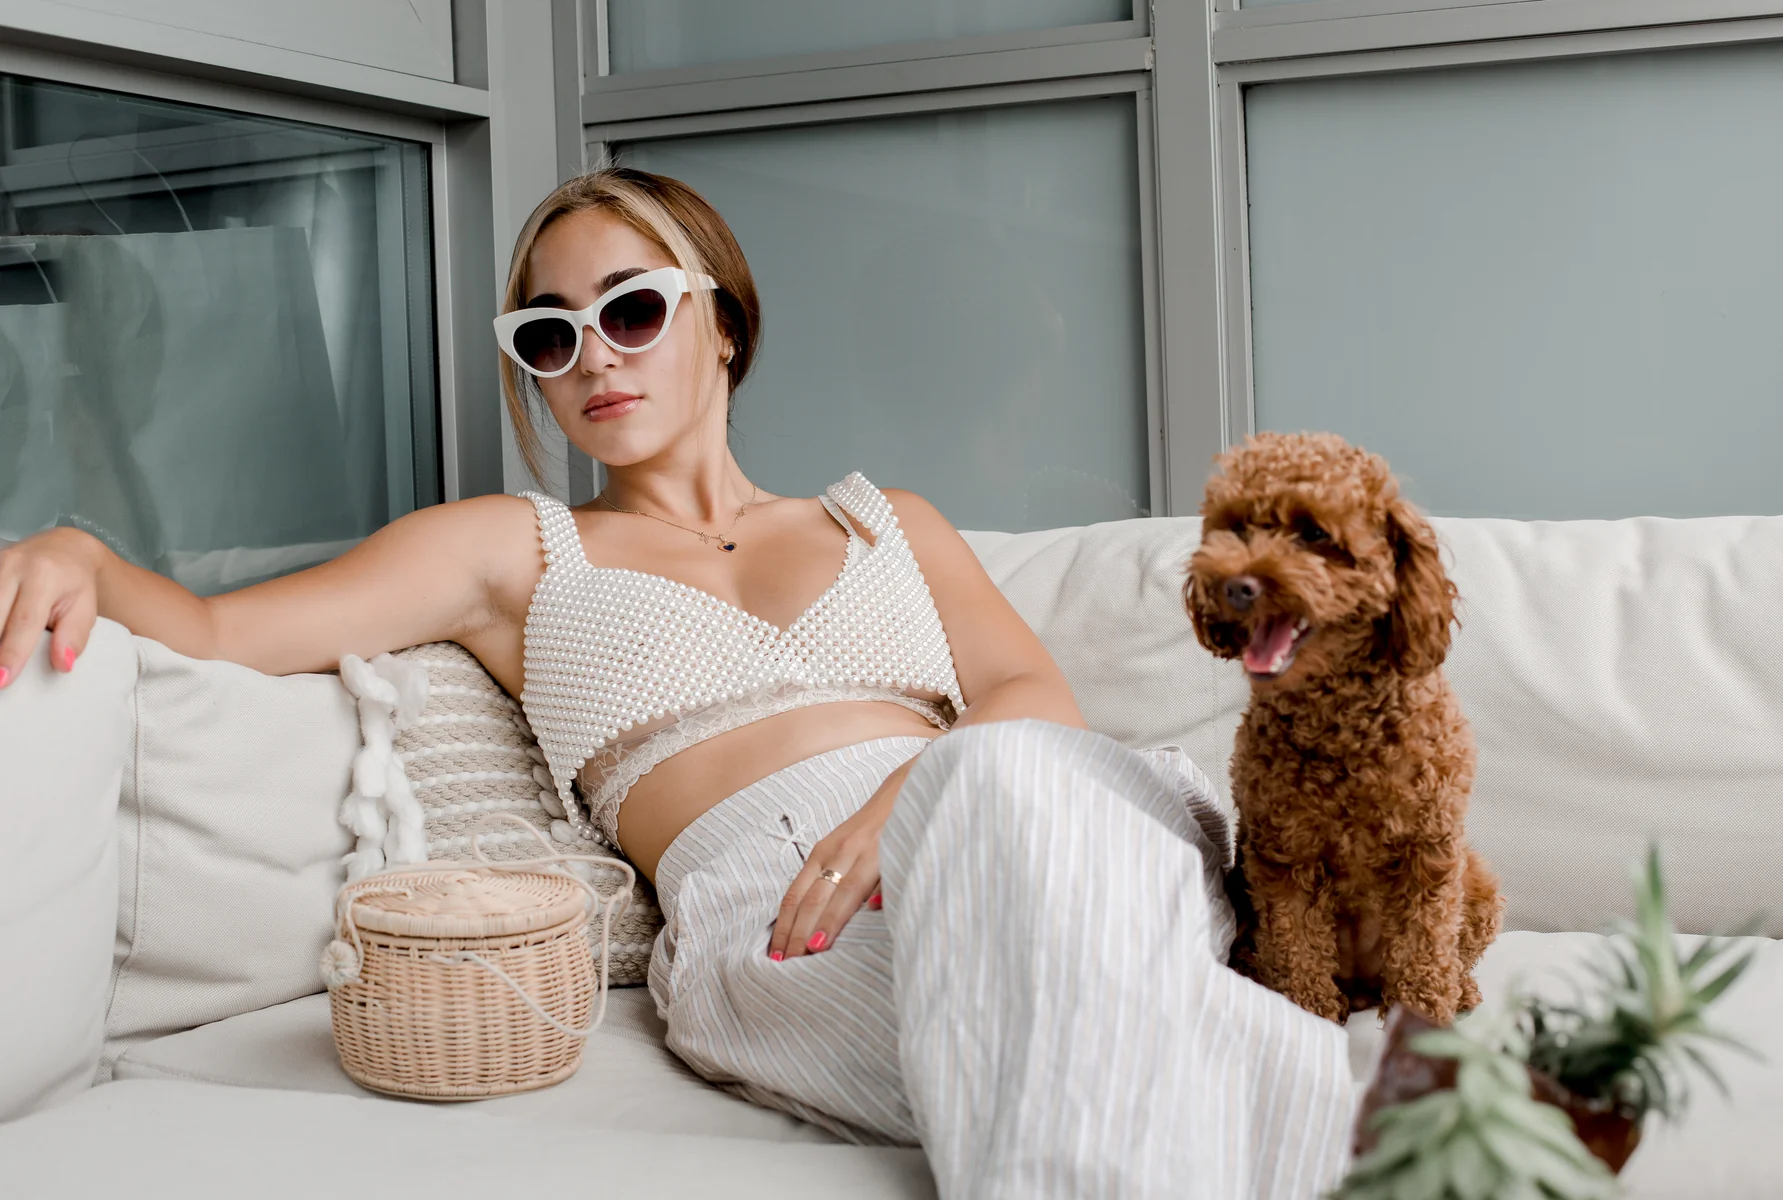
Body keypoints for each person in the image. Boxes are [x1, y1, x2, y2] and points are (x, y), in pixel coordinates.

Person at [0, 167, 1353, 1197]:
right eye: (549, 335)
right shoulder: (511, 552)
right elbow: (225, 634)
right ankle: (1362, 1123)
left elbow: (1027, 706)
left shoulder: (896, 523)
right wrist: (79, 548)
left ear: (722, 325)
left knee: (1003, 802)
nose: (593, 356)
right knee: (1050, 1033)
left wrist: (924, 790)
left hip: (1043, 823)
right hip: (780, 920)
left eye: (631, 310)